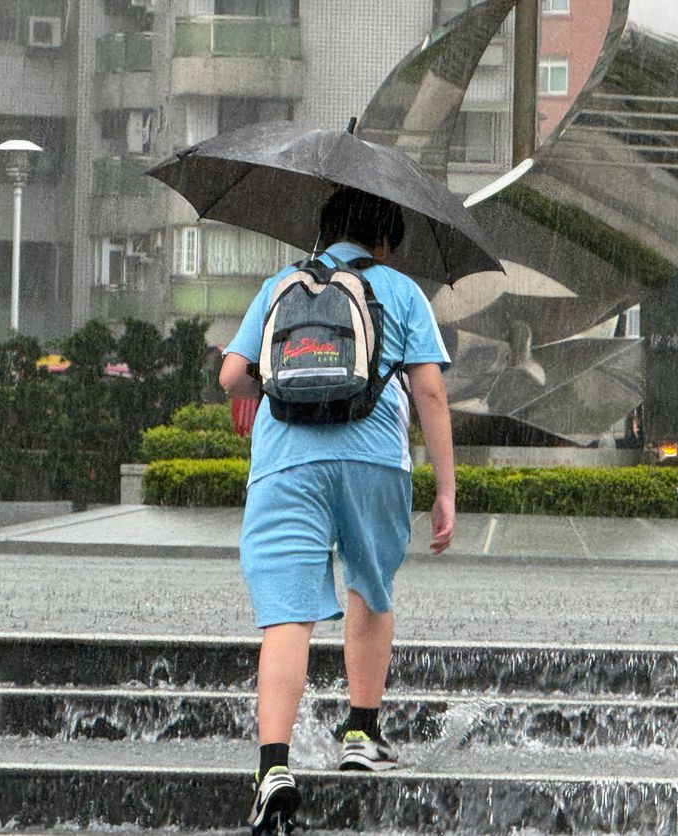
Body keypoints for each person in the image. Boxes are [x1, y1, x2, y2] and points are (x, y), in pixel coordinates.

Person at [218, 188, 456, 834]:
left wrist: (286, 377)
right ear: (385, 240)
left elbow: (232, 376)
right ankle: (362, 732)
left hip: (285, 461)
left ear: (324, 230)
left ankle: (273, 769)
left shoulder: (280, 285)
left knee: (288, 615)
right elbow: (430, 391)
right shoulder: (401, 291)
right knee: (370, 589)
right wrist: (446, 489)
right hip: (373, 459)